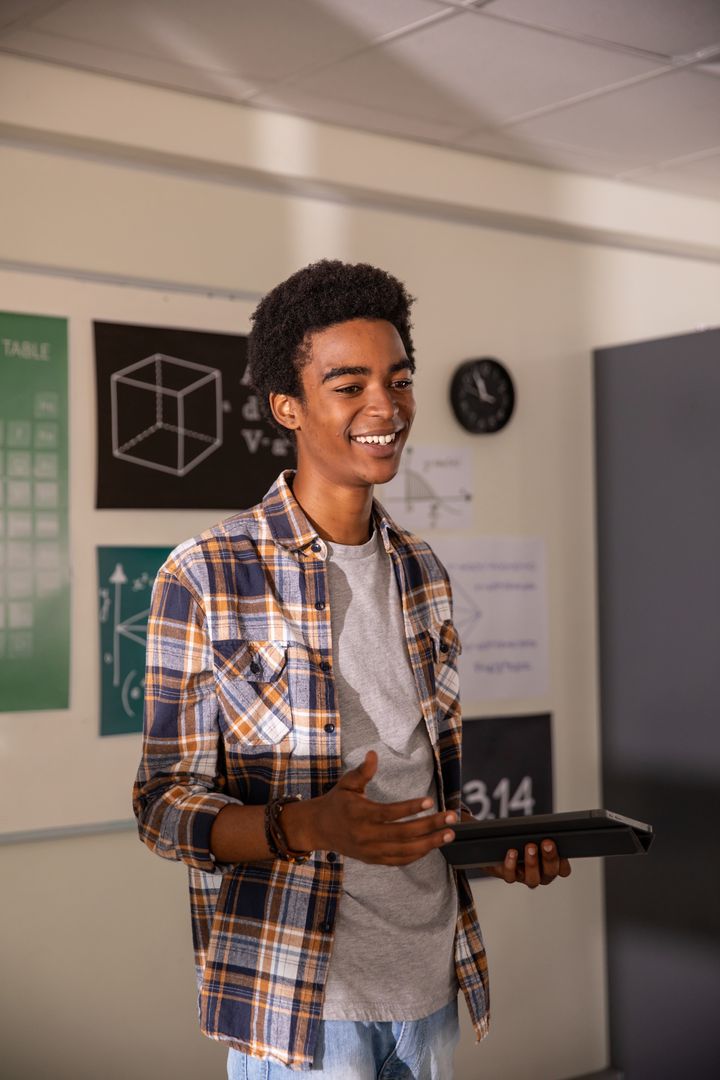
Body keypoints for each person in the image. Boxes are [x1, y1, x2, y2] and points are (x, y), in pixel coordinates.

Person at [133, 260, 570, 1079]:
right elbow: (162, 808)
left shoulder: (423, 570)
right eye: (350, 384)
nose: (387, 407)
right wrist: (304, 827)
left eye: (399, 379)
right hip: (303, 999)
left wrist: (489, 844)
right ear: (287, 407)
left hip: (431, 979)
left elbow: (415, 783)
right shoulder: (204, 572)